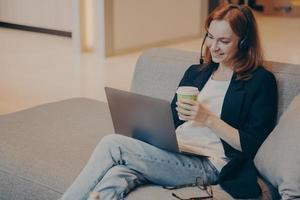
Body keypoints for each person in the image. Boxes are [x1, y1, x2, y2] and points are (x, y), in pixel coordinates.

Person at [60, 3, 278, 200]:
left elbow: (254, 144)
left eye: (224, 41)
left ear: (244, 42)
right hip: (175, 150)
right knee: (116, 175)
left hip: (210, 164)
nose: (213, 46)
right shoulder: (197, 73)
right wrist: (147, 129)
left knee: (113, 145)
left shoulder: (260, 81)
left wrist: (208, 119)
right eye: (210, 37)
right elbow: (171, 120)